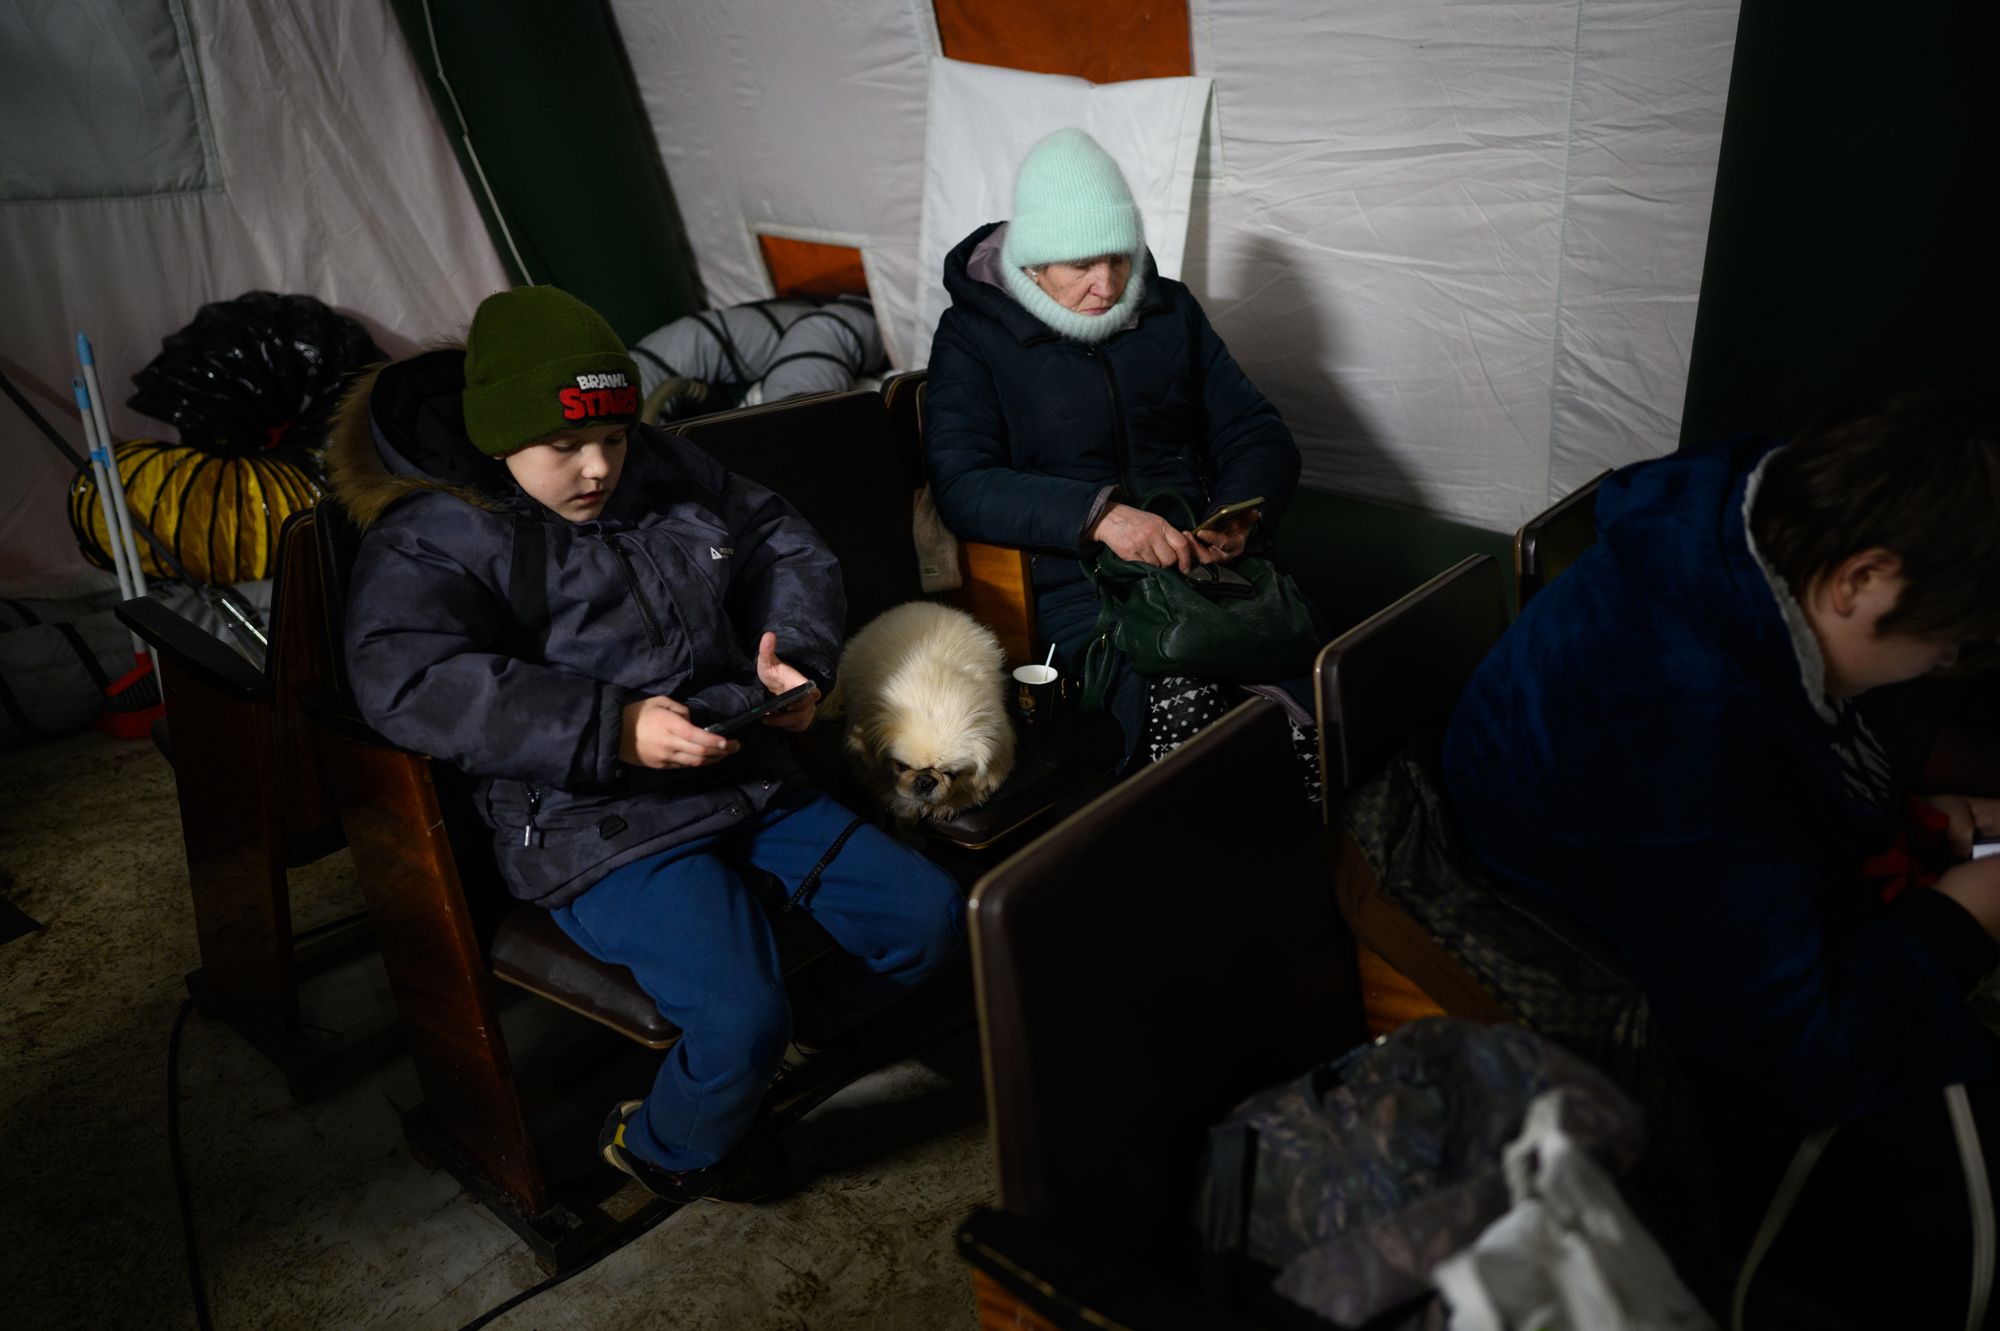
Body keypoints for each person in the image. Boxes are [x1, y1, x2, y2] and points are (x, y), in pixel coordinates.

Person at [328, 285, 964, 1205]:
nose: (598, 468)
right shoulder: (439, 532)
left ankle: (799, 1038)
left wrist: (801, 667)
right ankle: (667, 1147)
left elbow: (782, 542)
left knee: (929, 919)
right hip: (598, 821)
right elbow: (404, 676)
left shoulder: (662, 464)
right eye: (565, 447)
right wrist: (612, 727)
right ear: (501, 437)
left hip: (740, 767)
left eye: (614, 438)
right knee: (739, 1012)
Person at [1441, 386, 2000, 1323]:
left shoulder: (1749, 506)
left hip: (1695, 897)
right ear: (1860, 580)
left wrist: (1907, 812)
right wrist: (1964, 917)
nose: (1944, 663)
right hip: (1635, 1015)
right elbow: (1788, 1065)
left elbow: (1803, 774)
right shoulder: (1683, 730)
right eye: (1948, 643)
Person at [923, 128, 1316, 785]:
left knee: (1322, 696)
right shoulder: (973, 336)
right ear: (1034, 264)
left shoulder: (1172, 313)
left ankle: (1311, 867)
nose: (1107, 283)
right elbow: (963, 483)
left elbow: (1257, 432)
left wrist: (1238, 516)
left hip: (1199, 568)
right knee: (1195, 706)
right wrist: (1101, 516)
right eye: (1080, 264)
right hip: (1079, 591)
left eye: (1120, 258)